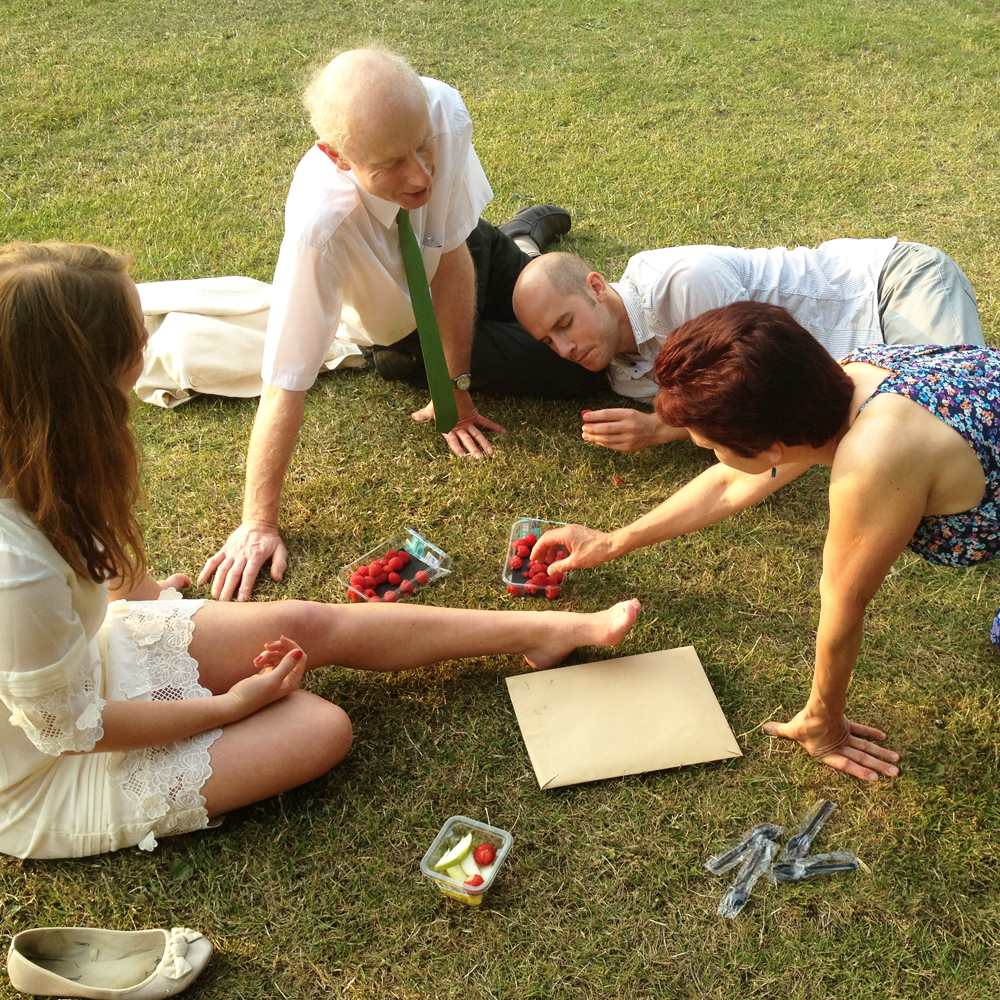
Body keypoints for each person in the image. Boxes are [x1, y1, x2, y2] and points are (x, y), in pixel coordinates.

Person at [0, 241, 641, 860]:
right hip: (48, 767)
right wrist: (229, 706)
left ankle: (548, 631)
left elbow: (96, 559)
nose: (148, 344)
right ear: (77, 382)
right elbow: (67, 728)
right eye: (133, 341)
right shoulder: (14, 567)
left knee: (313, 623)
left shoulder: (48, 445)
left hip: (79, 673)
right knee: (319, 728)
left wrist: (136, 604)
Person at [529, 299, 1000, 783]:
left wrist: (824, 720)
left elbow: (844, 603)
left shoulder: (876, 460)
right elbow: (731, 484)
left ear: (770, 449)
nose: (714, 457)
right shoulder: (837, 380)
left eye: (713, 447)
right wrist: (612, 541)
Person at [200, 48, 606, 603]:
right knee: (577, 371)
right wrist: (258, 523)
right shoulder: (320, 229)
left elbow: (456, 255)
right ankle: (496, 269)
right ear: (338, 157)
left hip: (468, 249)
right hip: (406, 324)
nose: (420, 175)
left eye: (422, 146)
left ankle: (521, 240)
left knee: (557, 304)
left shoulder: (442, 109)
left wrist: (456, 389)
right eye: (390, 163)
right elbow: (285, 378)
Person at [511, 238, 986, 453]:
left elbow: (757, 393)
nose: (565, 348)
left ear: (596, 286)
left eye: (565, 324)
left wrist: (658, 428)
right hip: (864, 374)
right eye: (548, 341)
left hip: (887, 292)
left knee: (967, 431)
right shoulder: (622, 374)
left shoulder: (684, 282)